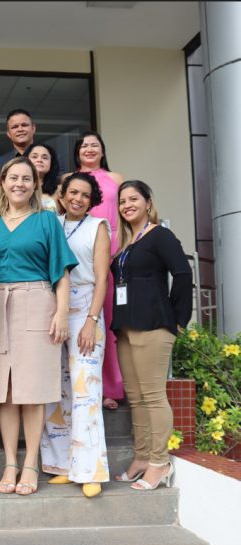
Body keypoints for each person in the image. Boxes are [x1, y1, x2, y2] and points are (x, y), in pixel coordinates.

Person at [0, 157, 77, 496]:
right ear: (2, 182)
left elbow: (61, 272)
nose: (19, 183)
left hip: (37, 300)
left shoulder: (46, 220)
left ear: (35, 185)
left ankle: (31, 462)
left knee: (32, 390)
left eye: (27, 178)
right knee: (4, 390)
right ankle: (10, 461)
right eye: (13, 177)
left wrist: (62, 312)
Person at [110, 180, 192, 491]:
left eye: (133, 199)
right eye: (122, 201)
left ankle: (160, 462)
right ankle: (142, 457)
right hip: (127, 328)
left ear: (148, 202)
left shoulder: (160, 235)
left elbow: (183, 273)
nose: (127, 204)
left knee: (154, 396)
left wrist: (178, 320)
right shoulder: (128, 242)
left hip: (154, 325)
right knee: (136, 398)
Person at [40, 172, 110, 498]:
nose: (78, 199)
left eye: (84, 194)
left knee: (85, 390)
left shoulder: (98, 227)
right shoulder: (51, 222)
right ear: (63, 194)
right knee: (56, 390)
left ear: (92, 199)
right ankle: (62, 466)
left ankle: (90, 469)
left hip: (85, 306)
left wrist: (91, 320)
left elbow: (101, 277)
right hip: (53, 305)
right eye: (73, 192)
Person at [68, 131, 126, 410]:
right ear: (77, 152)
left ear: (103, 151)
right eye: (84, 146)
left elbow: (125, 216)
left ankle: (110, 388)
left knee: (106, 320)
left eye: (95, 145)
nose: (89, 149)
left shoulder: (115, 178)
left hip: (111, 250)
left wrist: (121, 248)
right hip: (78, 252)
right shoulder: (67, 180)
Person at [0, 109, 37, 196]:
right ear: (8, 134)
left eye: (24, 125)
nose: (20, 129)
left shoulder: (48, 157)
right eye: (15, 127)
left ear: (33, 129)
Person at [26, 142, 61, 214]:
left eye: (45, 158)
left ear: (52, 163)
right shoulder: (17, 187)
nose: (39, 160)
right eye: (34, 157)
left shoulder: (59, 190)